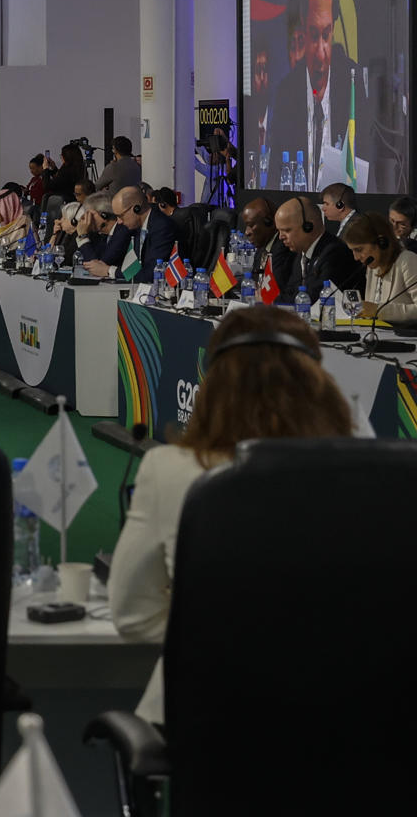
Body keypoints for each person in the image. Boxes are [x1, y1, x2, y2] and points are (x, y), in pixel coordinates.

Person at [110, 307, 353, 724]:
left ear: (215, 384)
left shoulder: (168, 470)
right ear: (318, 384)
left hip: (203, 714)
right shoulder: (368, 479)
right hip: (350, 725)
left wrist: (222, 628)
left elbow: (132, 615)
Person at [268, 0, 365, 190]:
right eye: (312, 35)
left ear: (334, 24)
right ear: (302, 23)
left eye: (326, 34)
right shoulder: (285, 95)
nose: (321, 52)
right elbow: (273, 182)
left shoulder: (354, 85)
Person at [273, 196, 364, 298]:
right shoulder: (301, 254)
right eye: (279, 231)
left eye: (287, 230)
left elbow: (314, 298)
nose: (281, 237)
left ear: (308, 227)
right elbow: (290, 292)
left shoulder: (335, 253)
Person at [84, 186, 175, 280]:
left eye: (120, 216)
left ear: (136, 209)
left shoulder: (162, 226)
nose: (119, 221)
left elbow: (152, 272)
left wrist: (109, 271)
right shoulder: (133, 226)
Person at [341, 212, 417, 324]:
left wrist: (379, 310)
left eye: (359, 250)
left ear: (381, 242)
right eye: (352, 251)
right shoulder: (373, 266)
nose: (356, 257)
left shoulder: (407, 261)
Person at [91, 137, 142, 205]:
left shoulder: (113, 167)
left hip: (115, 207)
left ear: (114, 150)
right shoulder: (137, 166)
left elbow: (96, 187)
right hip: (134, 204)